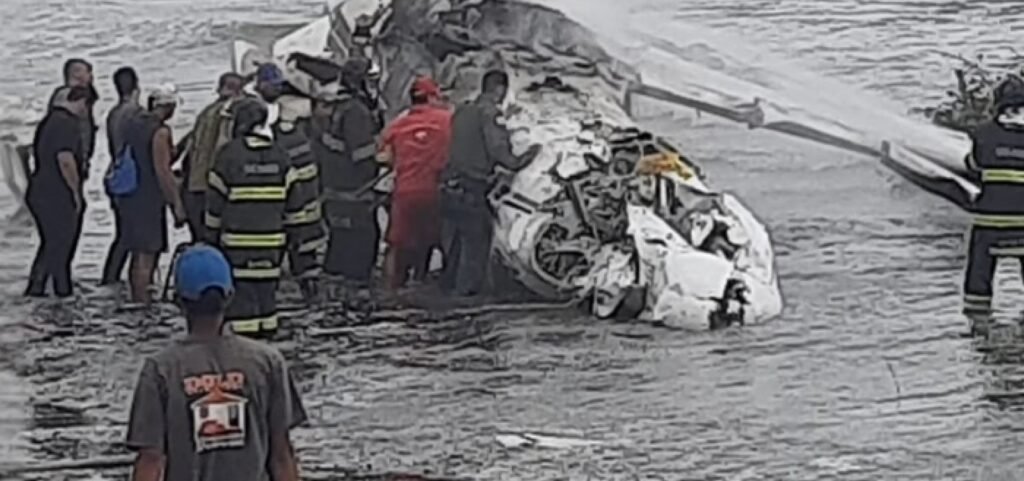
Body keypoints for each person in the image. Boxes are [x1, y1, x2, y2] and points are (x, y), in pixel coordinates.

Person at [125, 244, 305, 481]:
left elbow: (151, 460)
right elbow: (282, 455)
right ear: (230, 296)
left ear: (178, 301)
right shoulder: (267, 362)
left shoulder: (161, 369)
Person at [204, 98, 323, 338]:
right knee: (267, 301)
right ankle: (267, 347)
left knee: (241, 304)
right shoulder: (280, 156)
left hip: (236, 247)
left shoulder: (228, 156)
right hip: (272, 247)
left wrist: (209, 240)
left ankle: (242, 349)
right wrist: (296, 242)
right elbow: (295, 209)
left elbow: (214, 208)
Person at [439, 70, 541, 297]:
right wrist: (525, 158)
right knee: (476, 243)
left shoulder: (463, 110)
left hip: (449, 185)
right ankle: (465, 299)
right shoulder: (490, 113)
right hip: (471, 188)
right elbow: (499, 150)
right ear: (500, 90)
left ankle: (446, 290)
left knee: (457, 243)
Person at [962, 76, 1024, 333]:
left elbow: (973, 165)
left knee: (980, 264)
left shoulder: (984, 134)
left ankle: (977, 318)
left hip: (989, 221)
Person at [377, 76, 452, 290]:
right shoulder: (448, 119)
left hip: (405, 193)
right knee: (438, 242)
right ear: (432, 97)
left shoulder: (398, 124)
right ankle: (426, 283)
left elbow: (383, 156)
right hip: (437, 192)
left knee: (397, 245)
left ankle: (391, 290)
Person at [320, 58, 382, 287]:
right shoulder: (357, 112)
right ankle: (356, 287)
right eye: (371, 81)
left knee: (339, 240)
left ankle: (334, 282)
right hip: (355, 190)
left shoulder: (337, 105)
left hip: (335, 187)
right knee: (363, 242)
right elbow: (362, 155)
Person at [24, 86, 92, 298]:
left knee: (50, 245)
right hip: (56, 194)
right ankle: (62, 292)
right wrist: (76, 193)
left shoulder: (49, 121)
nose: (86, 111)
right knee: (61, 248)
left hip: (39, 190)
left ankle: (36, 290)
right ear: (79, 101)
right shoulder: (67, 124)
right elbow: (65, 160)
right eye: (86, 105)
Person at [121, 85, 187, 304]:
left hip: (130, 194)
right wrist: (176, 205)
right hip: (148, 197)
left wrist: (183, 144)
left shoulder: (134, 125)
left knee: (136, 251)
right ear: (167, 107)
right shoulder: (160, 131)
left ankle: (136, 297)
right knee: (147, 252)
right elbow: (162, 170)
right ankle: (142, 301)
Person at [181, 73, 245, 240]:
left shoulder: (205, 113)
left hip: (195, 186)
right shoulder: (230, 113)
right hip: (213, 187)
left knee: (201, 239)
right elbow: (222, 149)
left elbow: (190, 147)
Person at [100, 67, 143, 286]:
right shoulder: (136, 113)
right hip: (132, 179)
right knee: (132, 236)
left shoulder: (113, 113)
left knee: (122, 233)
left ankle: (111, 277)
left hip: (116, 174)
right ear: (137, 86)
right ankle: (120, 279)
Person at [48, 59, 99, 175]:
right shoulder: (68, 97)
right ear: (76, 73)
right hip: (69, 156)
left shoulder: (83, 95)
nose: (90, 76)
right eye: (87, 72)